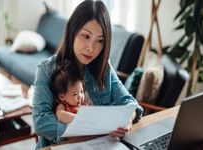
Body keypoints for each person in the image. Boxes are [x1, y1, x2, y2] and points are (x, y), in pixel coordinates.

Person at [32, 0, 144, 149]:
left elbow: (130, 103)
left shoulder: (104, 67)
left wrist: (128, 120)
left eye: (100, 40)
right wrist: (90, 129)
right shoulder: (46, 69)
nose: (91, 48)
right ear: (73, 31)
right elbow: (41, 122)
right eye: (86, 36)